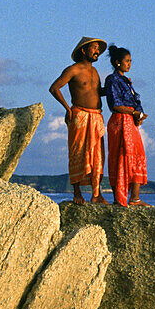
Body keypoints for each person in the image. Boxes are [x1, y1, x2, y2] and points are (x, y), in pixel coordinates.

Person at [49, 36, 108, 204]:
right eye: (94, 48)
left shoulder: (96, 72)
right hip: (79, 115)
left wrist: (113, 88)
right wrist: (67, 109)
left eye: (98, 49)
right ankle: (77, 193)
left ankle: (96, 194)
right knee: (78, 152)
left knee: (97, 155)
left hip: (96, 115)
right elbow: (54, 88)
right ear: (84, 50)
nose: (97, 52)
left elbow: (96, 92)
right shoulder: (73, 70)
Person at [104, 45, 150, 207]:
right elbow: (115, 104)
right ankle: (120, 198)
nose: (129, 64)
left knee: (137, 155)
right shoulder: (112, 80)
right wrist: (135, 114)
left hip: (130, 121)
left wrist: (138, 115)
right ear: (117, 62)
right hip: (121, 120)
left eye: (130, 61)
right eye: (127, 61)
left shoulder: (125, 81)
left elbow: (135, 102)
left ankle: (134, 197)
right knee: (120, 157)